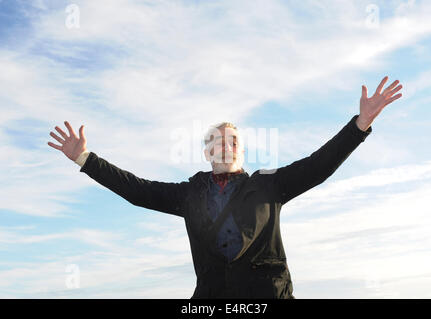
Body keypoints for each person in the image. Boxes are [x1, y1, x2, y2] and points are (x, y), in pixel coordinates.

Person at [48, 76, 402, 298]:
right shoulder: (190, 194)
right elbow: (137, 190)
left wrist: (360, 125)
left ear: (242, 150)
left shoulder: (269, 185)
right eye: (217, 142)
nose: (225, 146)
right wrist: (86, 159)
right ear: (207, 152)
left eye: (233, 141)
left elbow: (319, 165)